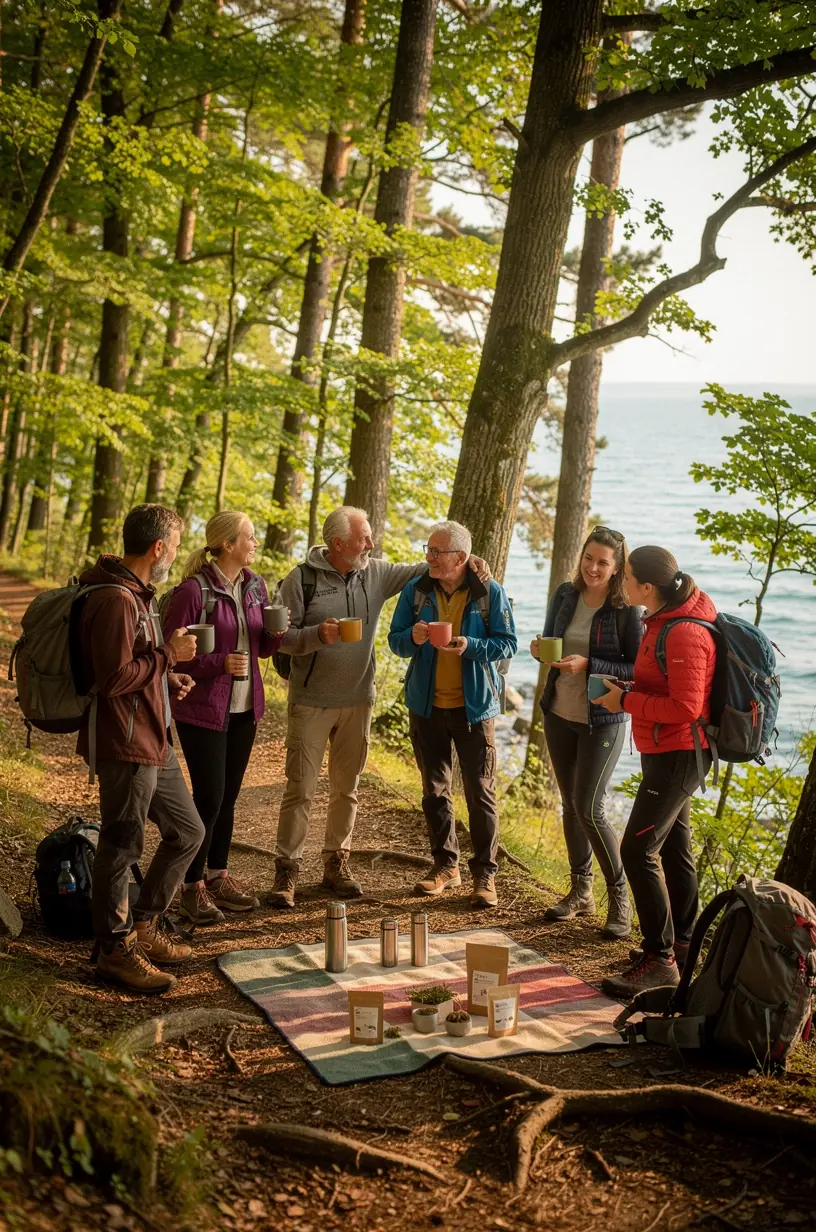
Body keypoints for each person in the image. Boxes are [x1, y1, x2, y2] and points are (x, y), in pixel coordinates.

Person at [266, 506, 491, 908]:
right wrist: (318, 635)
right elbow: (280, 638)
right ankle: (287, 871)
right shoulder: (302, 580)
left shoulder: (376, 572)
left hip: (358, 701)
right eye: (363, 538)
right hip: (311, 702)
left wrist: (469, 560)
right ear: (339, 544)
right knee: (300, 788)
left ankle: (336, 864)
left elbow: (428, 568)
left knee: (346, 789)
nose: (371, 543)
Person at [76, 504, 205, 994]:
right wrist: (169, 654)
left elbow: (135, 666)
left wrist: (166, 677)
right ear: (158, 548)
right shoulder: (115, 599)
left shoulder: (137, 595)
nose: (175, 551)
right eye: (174, 543)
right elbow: (111, 679)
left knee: (188, 831)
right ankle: (112, 950)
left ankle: (144, 925)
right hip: (126, 742)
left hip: (153, 736)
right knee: (121, 842)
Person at [593, 546, 717, 997]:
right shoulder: (661, 620)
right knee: (674, 850)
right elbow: (663, 685)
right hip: (665, 750)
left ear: (647, 587)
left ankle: (659, 957)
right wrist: (625, 688)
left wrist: (624, 702)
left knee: (637, 851)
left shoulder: (683, 632)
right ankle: (683, 946)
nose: (620, 583)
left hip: (679, 753)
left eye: (625, 577)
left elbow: (686, 707)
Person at [161, 511, 288, 926]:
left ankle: (218, 875)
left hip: (245, 708)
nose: (256, 542)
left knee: (229, 796)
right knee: (210, 797)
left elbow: (262, 651)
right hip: (202, 709)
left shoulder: (255, 586)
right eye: (250, 537)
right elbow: (169, 655)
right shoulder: (193, 592)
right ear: (229, 543)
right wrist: (218, 663)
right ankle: (190, 887)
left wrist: (275, 634)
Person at [388, 521, 517, 909]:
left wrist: (471, 645)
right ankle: (445, 865)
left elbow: (507, 643)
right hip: (426, 708)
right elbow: (395, 641)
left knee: (480, 792)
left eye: (437, 552)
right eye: (428, 549)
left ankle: (485, 874)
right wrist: (411, 637)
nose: (429, 557)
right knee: (435, 791)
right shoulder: (416, 591)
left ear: (460, 558)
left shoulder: (488, 593)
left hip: (475, 710)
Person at [534, 526, 642, 939]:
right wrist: (541, 649)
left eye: (603, 562)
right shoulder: (565, 594)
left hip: (604, 720)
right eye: (588, 558)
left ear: (617, 569)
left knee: (590, 807)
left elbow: (637, 671)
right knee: (570, 805)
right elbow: (552, 640)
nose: (593, 567)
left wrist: (590, 664)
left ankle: (620, 898)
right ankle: (581, 891)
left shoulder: (628, 609)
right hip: (559, 712)